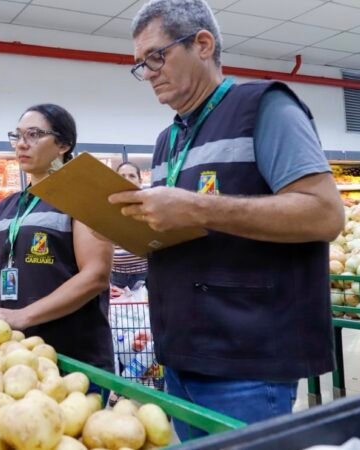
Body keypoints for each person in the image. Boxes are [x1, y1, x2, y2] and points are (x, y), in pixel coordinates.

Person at [107, 0, 345, 440]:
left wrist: (196, 207)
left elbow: (325, 213)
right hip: (181, 353)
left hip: (248, 360)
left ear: (202, 44)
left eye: (157, 56)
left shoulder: (265, 107)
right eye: (141, 64)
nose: (149, 72)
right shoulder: (168, 139)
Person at [0, 103, 115, 372]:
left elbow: (95, 276)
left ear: (63, 144)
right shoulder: (4, 208)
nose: (21, 144)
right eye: (17, 136)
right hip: (14, 353)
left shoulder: (86, 198)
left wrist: (21, 316)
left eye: (33, 135)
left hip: (72, 356)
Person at [111, 162, 149, 297]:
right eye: (122, 176)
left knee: (143, 313)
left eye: (132, 176)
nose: (127, 179)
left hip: (144, 274)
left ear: (140, 181)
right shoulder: (108, 206)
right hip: (115, 275)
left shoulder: (149, 205)